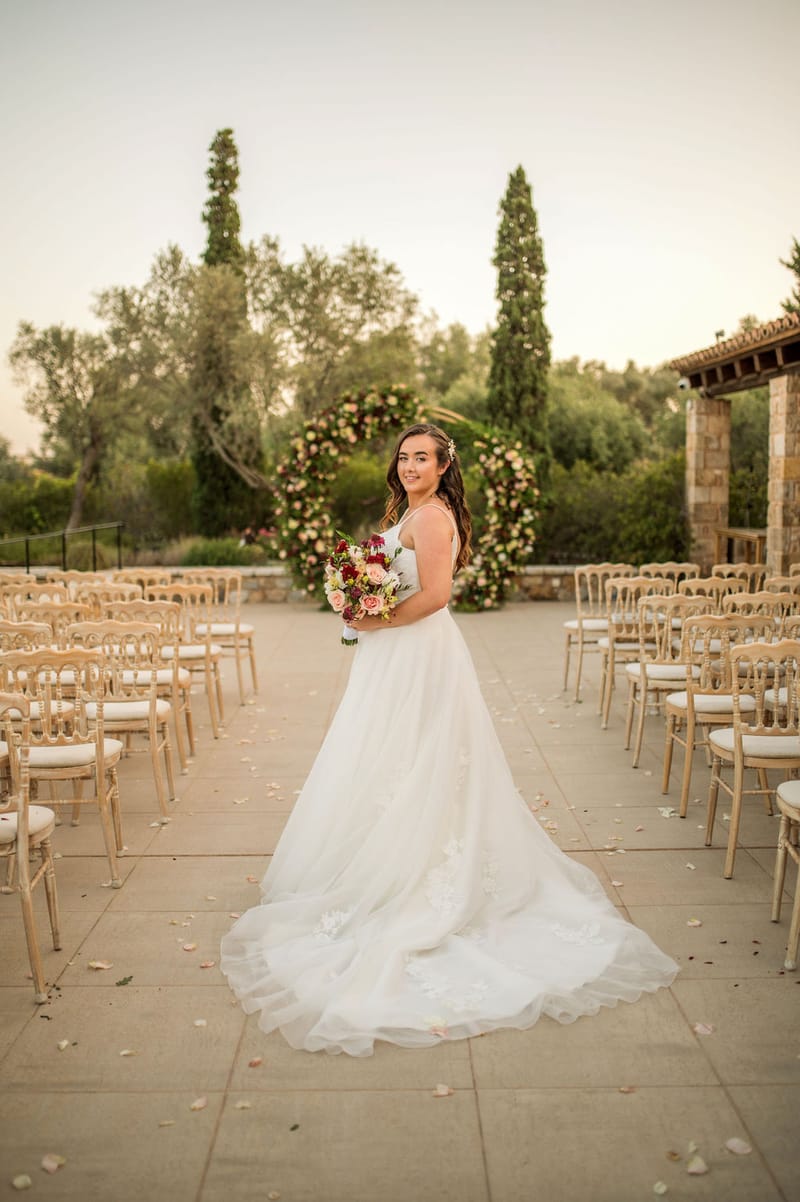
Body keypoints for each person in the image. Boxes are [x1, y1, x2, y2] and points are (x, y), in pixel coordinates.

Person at [220, 423, 678, 1056]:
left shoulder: (432, 519)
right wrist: (359, 594)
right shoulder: (407, 512)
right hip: (394, 654)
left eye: (421, 458)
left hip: (418, 654)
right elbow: (396, 578)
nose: (410, 466)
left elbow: (435, 596)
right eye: (404, 457)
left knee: (419, 758)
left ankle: (416, 872)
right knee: (388, 759)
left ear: (442, 467)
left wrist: (370, 615)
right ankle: (381, 858)